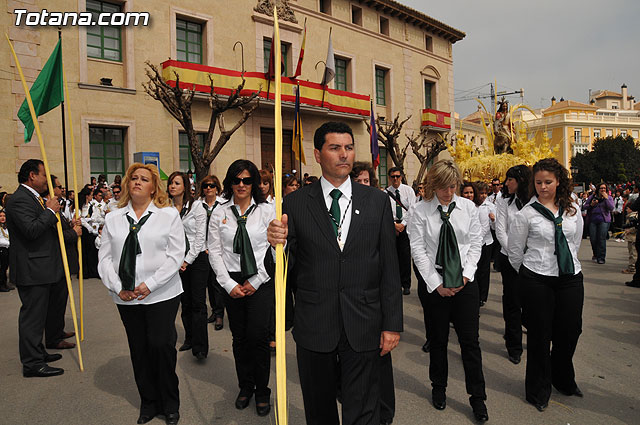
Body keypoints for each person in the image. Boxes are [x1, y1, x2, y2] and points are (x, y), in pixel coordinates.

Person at [267, 121, 403, 425]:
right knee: (319, 409)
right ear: (317, 154)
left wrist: (392, 324)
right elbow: (282, 269)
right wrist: (276, 244)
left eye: (349, 147)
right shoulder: (295, 203)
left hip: (365, 322)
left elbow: (389, 269)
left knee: (364, 409)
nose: (344, 155)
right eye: (335, 148)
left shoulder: (378, 202)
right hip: (315, 323)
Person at [98, 163, 184, 425]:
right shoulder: (113, 218)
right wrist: (117, 286)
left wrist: (151, 284)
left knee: (160, 345)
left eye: (144, 179)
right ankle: (149, 402)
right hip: (126, 297)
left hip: (162, 294)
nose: (137, 182)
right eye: (133, 178)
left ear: (153, 187)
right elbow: (104, 258)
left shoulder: (167, 215)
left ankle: (170, 403)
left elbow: (175, 255)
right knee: (139, 348)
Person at [408, 159, 488, 422]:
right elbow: (418, 250)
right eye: (443, 187)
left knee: (470, 343)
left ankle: (478, 399)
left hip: (465, 284)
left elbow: (475, 243)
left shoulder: (468, 208)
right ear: (433, 185)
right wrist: (436, 284)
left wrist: (466, 276)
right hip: (436, 285)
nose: (448, 192)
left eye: (453, 186)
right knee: (438, 340)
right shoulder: (420, 211)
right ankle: (438, 388)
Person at [508, 158, 584, 412]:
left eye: (548, 182)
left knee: (571, 330)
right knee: (540, 336)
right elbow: (515, 252)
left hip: (570, 277)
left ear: (559, 181)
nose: (543, 187)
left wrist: (566, 263)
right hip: (537, 278)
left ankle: (562, 378)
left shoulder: (573, 207)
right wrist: (531, 273)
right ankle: (538, 390)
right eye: (538, 182)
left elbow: (575, 242)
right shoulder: (526, 214)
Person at [208, 159, 275, 417]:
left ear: (255, 183)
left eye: (247, 180)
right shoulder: (220, 212)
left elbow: (276, 251)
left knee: (258, 336)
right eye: (236, 180)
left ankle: (262, 391)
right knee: (240, 337)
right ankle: (245, 385)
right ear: (229, 183)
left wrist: (257, 280)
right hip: (231, 280)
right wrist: (228, 284)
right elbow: (214, 250)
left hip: (261, 278)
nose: (241, 185)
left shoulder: (267, 211)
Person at [5, 159, 65, 377]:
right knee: (32, 318)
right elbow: (31, 230)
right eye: (43, 175)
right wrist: (49, 211)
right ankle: (32, 364)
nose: (46, 180)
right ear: (32, 176)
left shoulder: (35, 198)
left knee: (39, 316)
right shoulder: (19, 200)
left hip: (42, 267)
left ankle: (38, 352)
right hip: (32, 270)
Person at [350, 159, 396, 425]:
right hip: (350, 299)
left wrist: (391, 320)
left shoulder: (379, 205)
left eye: (367, 181)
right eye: (358, 181)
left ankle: (384, 412)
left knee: (379, 359)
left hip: (374, 299)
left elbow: (387, 262)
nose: (363, 185)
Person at [167, 172, 209, 361]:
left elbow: (200, 237)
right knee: (185, 302)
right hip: (177, 259)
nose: (172, 186)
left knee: (198, 303)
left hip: (197, 258)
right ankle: (190, 338)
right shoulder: (167, 208)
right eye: (170, 183)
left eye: (176, 183)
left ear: (185, 186)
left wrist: (187, 260)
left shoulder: (197, 206)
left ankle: (200, 347)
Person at [495, 164, 532, 365]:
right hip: (509, 259)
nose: (507, 183)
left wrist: (527, 255)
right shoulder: (503, 202)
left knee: (531, 303)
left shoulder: (534, 201)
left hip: (532, 260)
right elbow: (501, 231)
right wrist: (515, 255)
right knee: (511, 303)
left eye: (511, 179)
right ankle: (514, 345)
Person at [43, 175, 80, 351]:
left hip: (62, 262)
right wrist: (74, 232)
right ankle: (53, 337)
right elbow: (55, 236)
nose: (61, 190)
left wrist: (71, 224)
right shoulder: (45, 207)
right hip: (56, 261)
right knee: (55, 302)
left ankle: (57, 331)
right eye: (58, 187)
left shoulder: (57, 206)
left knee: (60, 300)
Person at [198, 175, 225, 329]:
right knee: (208, 283)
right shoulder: (197, 205)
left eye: (212, 185)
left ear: (217, 188)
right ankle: (214, 311)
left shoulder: (223, 205)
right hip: (202, 249)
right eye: (206, 186)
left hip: (218, 249)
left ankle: (220, 315)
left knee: (217, 283)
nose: (209, 188)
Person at [386, 166, 416, 295]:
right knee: (393, 257)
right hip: (391, 226)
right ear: (389, 178)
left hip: (405, 225)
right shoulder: (385, 193)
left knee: (404, 256)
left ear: (401, 177)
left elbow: (413, 209)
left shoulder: (408, 191)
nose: (395, 179)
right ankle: (395, 283)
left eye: (397, 176)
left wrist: (403, 224)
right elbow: (385, 211)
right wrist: (394, 225)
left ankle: (406, 284)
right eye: (393, 177)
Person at [474, 181, 495, 307]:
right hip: (474, 242)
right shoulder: (472, 205)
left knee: (484, 271)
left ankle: (482, 296)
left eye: (485, 193)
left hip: (486, 242)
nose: (483, 196)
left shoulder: (490, 206)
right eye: (481, 193)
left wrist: (493, 219)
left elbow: (489, 227)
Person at [583, 183, 614, 264]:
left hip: (604, 220)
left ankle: (601, 257)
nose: (603, 190)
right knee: (593, 239)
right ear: (598, 189)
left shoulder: (609, 198)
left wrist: (606, 199)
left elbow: (611, 208)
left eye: (604, 188)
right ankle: (596, 254)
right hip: (593, 220)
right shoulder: (592, 197)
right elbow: (584, 206)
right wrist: (591, 205)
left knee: (601, 238)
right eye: (601, 188)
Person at [0, 210, 11, 292]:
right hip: (2, 248)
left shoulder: (6, 227)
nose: (3, 218)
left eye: (4, 216)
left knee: (5, 267)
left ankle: (5, 283)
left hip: (7, 249)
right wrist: (8, 243)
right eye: (0, 216)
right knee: (2, 268)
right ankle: (1, 284)